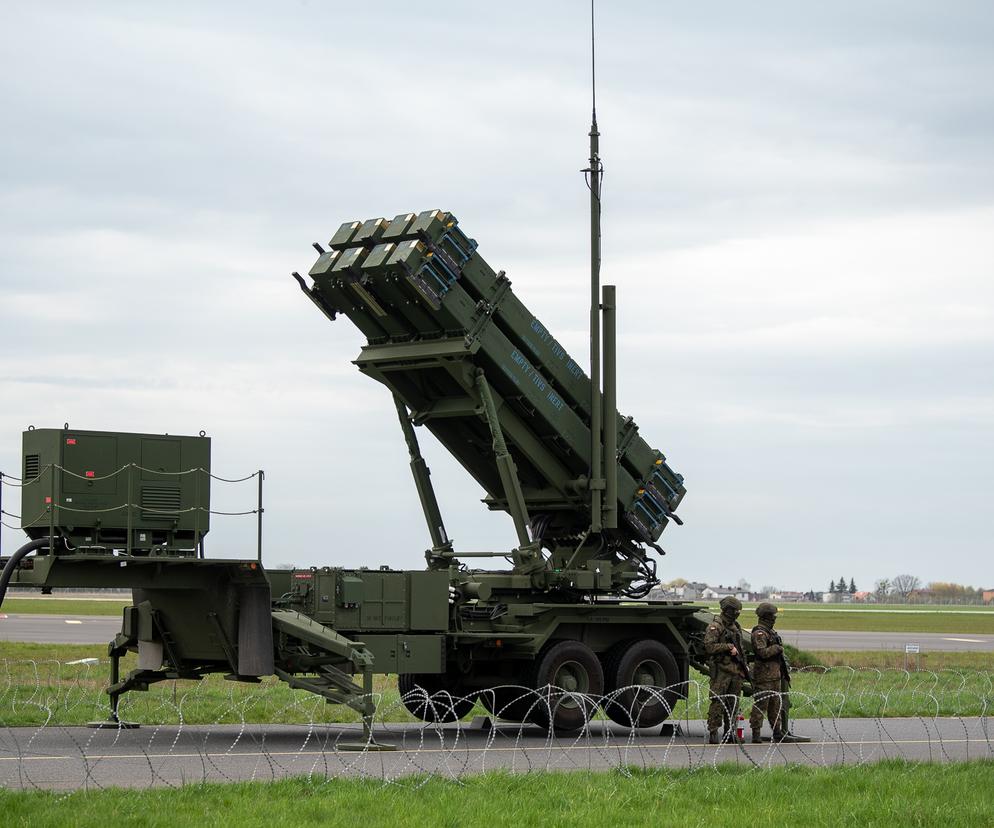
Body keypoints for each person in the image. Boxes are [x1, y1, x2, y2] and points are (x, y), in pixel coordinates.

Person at [704, 595, 748, 743]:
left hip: (736, 671)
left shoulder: (736, 627)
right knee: (717, 703)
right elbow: (709, 647)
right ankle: (713, 732)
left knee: (732, 704)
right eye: (735, 611)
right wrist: (727, 647)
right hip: (721, 671)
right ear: (728, 610)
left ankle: (730, 733)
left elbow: (741, 649)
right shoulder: (716, 626)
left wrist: (744, 666)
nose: (737, 613)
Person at [749, 602, 785, 743]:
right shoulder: (760, 633)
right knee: (760, 706)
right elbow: (762, 652)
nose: (775, 618)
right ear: (767, 617)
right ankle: (756, 734)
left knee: (775, 706)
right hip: (764, 676)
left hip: (774, 675)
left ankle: (777, 732)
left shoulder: (770, 632)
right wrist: (777, 648)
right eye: (773, 616)